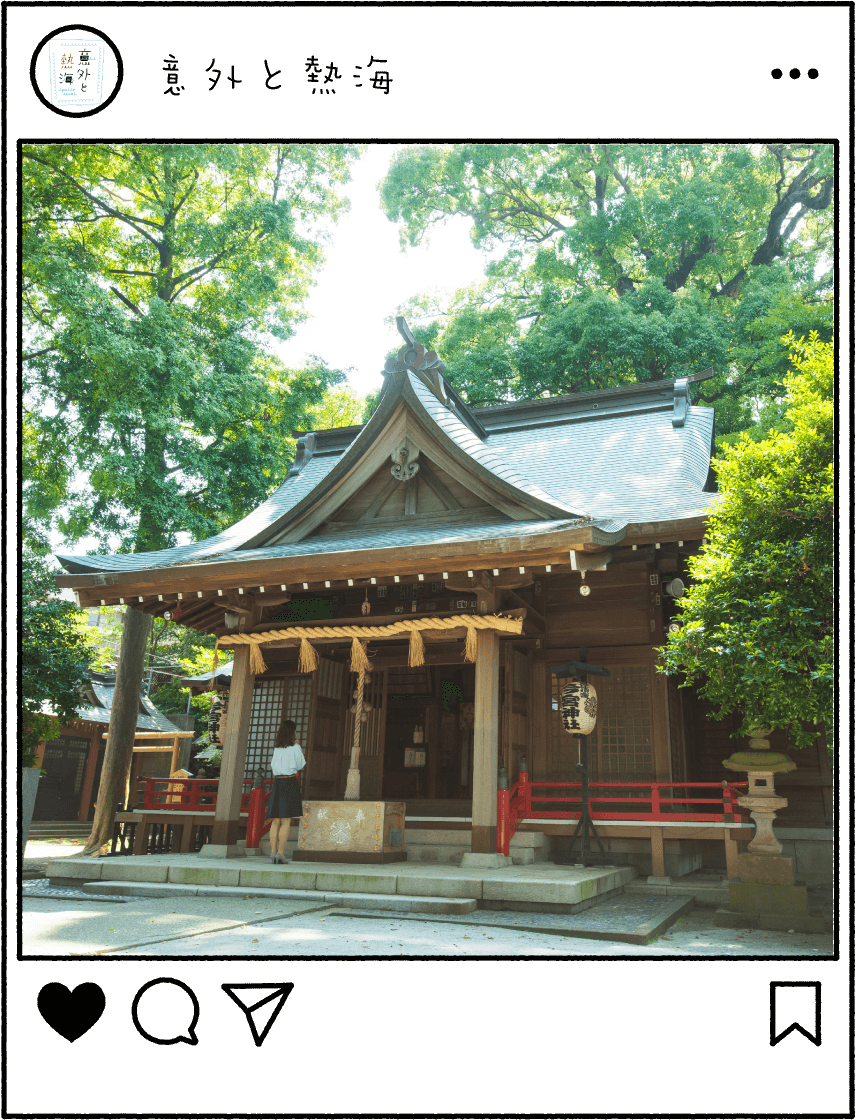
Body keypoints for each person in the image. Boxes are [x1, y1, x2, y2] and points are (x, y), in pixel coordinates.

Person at [266, 719, 306, 864]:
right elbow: (301, 764)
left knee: (276, 820)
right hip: (289, 782)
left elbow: (273, 766)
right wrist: (298, 746)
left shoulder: (277, 749)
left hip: (278, 782)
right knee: (286, 820)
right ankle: (281, 853)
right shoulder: (295, 747)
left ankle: (272, 852)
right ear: (292, 731)